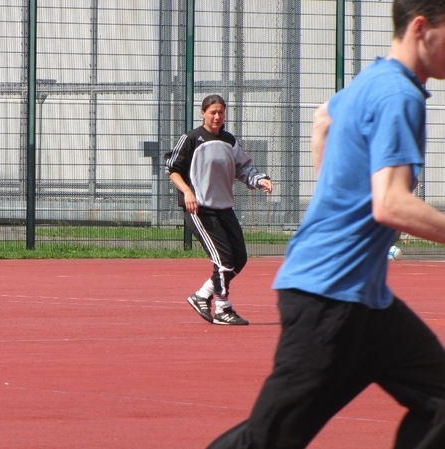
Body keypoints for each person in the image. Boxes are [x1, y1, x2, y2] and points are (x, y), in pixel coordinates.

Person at [208, 0, 445, 447]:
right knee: (269, 439)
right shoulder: (401, 95)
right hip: (329, 297)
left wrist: (334, 199)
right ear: (421, 28)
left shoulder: (371, 80)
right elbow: (391, 205)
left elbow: (323, 119)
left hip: (367, 302)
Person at [165, 94, 273, 326]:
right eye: (212, 112)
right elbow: (172, 169)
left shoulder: (229, 141)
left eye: (220, 112)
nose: (216, 116)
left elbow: (243, 168)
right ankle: (223, 308)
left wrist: (259, 180)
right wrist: (187, 192)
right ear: (203, 113)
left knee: (239, 258)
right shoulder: (191, 139)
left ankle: (202, 295)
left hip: (224, 207)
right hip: (200, 210)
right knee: (224, 260)